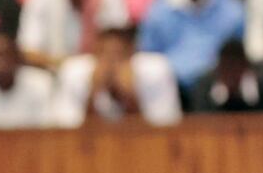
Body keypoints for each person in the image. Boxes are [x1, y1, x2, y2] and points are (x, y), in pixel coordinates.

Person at [52, 24, 182, 126]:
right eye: (105, 54)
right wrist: (92, 96)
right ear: (95, 54)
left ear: (132, 54)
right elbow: (68, 137)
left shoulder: (156, 72)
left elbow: (163, 136)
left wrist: (131, 99)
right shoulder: (74, 73)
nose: (112, 64)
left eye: (119, 55)